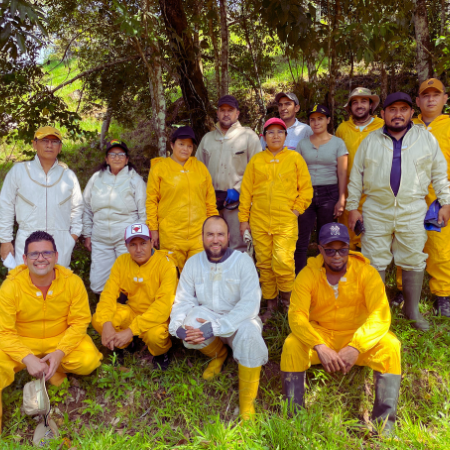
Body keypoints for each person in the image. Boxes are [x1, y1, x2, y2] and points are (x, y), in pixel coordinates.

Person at [280, 223, 401, 435]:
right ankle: (294, 420)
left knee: (390, 346)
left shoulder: (366, 272)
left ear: (349, 247)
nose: (337, 255)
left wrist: (356, 346)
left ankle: (385, 425)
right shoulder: (308, 275)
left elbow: (380, 315)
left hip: (356, 335)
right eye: (330, 250)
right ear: (320, 249)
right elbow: (297, 315)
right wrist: (319, 345)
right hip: (322, 336)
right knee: (292, 345)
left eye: (342, 249)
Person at [347, 92, 450, 331]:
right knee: (373, 259)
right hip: (376, 208)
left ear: (411, 113)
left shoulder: (425, 139)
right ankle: (378, 312)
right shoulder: (370, 141)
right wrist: (353, 207)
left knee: (414, 257)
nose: (397, 114)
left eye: (403, 109)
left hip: (412, 208)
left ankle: (412, 311)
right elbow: (355, 177)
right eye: (392, 110)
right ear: (382, 114)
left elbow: (439, 174)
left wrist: (445, 203)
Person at [0, 231, 103, 433]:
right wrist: (26, 357)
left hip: (58, 339)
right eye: (34, 254)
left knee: (89, 359)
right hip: (22, 341)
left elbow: (80, 322)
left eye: (46, 253)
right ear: (24, 259)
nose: (41, 258)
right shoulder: (11, 287)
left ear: (56, 257)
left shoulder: (72, 283)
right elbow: (4, 332)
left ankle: (55, 369)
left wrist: (60, 352)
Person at [169, 216, 268, 420]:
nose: (215, 239)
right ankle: (218, 355)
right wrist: (179, 330)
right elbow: (183, 300)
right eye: (210, 234)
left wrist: (213, 328)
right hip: (208, 319)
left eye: (220, 234)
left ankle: (247, 407)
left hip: (239, 321)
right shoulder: (193, 263)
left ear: (228, 237)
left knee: (250, 336)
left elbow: (250, 304)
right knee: (188, 324)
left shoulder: (242, 262)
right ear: (202, 238)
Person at [239, 118, 313, 322]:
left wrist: (296, 211)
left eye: (280, 132)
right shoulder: (256, 161)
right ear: (264, 137)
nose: (275, 136)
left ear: (286, 136)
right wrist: (243, 220)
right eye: (270, 132)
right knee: (264, 264)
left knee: (283, 261)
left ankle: (288, 302)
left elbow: (306, 190)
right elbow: (246, 192)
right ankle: (271, 305)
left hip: (285, 221)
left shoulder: (295, 159)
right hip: (259, 220)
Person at [92, 223, 178, 370]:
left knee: (155, 336)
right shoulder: (122, 262)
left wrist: (131, 330)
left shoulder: (166, 264)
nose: (138, 249)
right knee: (98, 319)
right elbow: (109, 294)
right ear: (126, 246)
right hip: (132, 312)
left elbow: (163, 307)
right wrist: (106, 323)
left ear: (152, 242)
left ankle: (161, 353)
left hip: (155, 318)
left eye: (143, 243)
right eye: (133, 244)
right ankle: (125, 344)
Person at [0, 126, 83, 268]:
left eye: (54, 141)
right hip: (27, 242)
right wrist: (5, 240)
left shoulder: (68, 176)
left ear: (60, 147)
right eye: (45, 140)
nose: (49, 145)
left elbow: (78, 208)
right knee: (25, 285)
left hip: (59, 245)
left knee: (58, 286)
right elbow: (6, 205)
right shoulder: (19, 171)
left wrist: (72, 237)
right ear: (34, 144)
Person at [146, 126, 218, 271]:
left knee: (198, 276)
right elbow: (151, 201)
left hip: (198, 234)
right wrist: (153, 229)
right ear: (172, 145)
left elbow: (209, 202)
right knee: (171, 277)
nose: (185, 149)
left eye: (189, 146)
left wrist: (214, 228)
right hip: (172, 235)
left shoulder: (200, 168)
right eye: (181, 144)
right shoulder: (160, 168)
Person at [196, 95, 261, 252]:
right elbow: (197, 171)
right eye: (222, 110)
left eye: (230, 110)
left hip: (237, 205)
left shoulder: (248, 137)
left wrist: (240, 192)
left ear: (237, 113)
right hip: (212, 203)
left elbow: (258, 173)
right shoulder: (207, 139)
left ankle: (241, 276)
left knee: (239, 246)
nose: (226, 114)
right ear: (217, 113)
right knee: (212, 245)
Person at [82, 139, 147, 296]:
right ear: (106, 159)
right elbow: (86, 208)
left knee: (129, 280)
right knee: (98, 285)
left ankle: (126, 311)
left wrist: (138, 238)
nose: (117, 158)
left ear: (127, 159)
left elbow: (143, 211)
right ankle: (106, 311)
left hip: (125, 238)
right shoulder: (96, 179)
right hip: (100, 238)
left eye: (121, 154)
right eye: (112, 154)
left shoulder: (135, 180)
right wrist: (87, 234)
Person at [294, 104, 348, 274]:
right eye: (313, 119)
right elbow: (296, 172)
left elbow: (342, 172)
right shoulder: (302, 144)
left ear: (328, 120)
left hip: (329, 192)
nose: (316, 123)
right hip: (306, 194)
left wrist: (341, 198)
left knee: (327, 236)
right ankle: (300, 277)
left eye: (320, 119)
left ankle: (325, 275)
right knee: (301, 238)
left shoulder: (338, 143)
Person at [414, 78, 450, 317]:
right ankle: (402, 289)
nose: (430, 99)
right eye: (425, 95)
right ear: (417, 101)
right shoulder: (408, 124)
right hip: (410, 193)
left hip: (439, 194)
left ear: (445, 99)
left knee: (439, 245)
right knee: (407, 242)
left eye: (435, 95)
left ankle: (442, 294)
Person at [336, 88, 383, 250]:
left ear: (371, 105)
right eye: (355, 102)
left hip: (375, 195)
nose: (359, 105)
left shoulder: (383, 126)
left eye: (363, 101)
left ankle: (372, 273)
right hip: (350, 194)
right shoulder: (342, 129)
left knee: (373, 242)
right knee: (348, 240)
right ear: (350, 107)